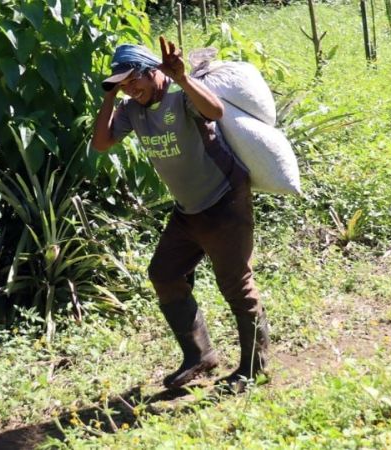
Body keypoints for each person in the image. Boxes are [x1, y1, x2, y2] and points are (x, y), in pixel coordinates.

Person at [91, 36, 269, 393]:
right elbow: (101, 143)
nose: (131, 89)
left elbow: (215, 112)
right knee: (165, 273)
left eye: (134, 80)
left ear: (152, 71)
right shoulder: (132, 109)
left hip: (224, 200)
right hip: (188, 210)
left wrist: (183, 78)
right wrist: (110, 95)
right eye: (124, 84)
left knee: (236, 285)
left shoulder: (179, 95)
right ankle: (199, 356)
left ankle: (254, 369)